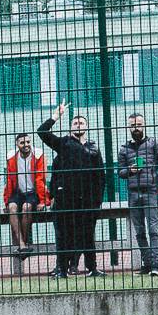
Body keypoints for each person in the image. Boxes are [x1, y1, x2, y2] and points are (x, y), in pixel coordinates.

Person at [37, 106, 107, 277]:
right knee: (64, 235)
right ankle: (61, 269)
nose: (78, 125)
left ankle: (92, 268)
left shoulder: (94, 148)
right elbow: (42, 132)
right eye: (75, 123)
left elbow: (101, 176)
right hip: (66, 199)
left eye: (81, 122)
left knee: (88, 235)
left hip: (88, 200)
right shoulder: (64, 144)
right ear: (70, 127)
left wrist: (97, 200)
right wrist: (55, 116)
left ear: (86, 127)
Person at [114, 112, 158, 275]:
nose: (136, 128)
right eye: (133, 125)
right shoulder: (124, 149)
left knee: (153, 230)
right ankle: (147, 264)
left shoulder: (154, 143)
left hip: (150, 191)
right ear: (128, 127)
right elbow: (119, 172)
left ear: (144, 125)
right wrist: (129, 170)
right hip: (133, 193)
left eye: (139, 124)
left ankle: (155, 266)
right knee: (139, 231)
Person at [2, 132, 48, 271]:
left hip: (33, 192)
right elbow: (9, 180)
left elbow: (41, 178)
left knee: (27, 207)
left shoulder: (38, 155)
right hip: (18, 192)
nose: (26, 145)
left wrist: (43, 200)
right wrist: (6, 201)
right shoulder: (11, 157)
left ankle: (25, 242)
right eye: (22, 143)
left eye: (28, 142)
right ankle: (22, 244)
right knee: (12, 208)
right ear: (17, 145)